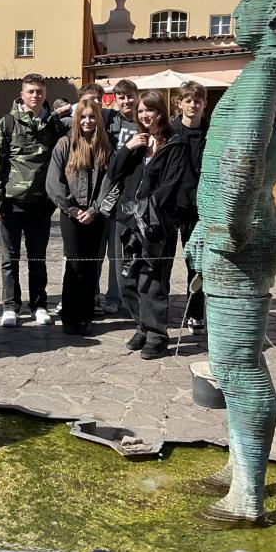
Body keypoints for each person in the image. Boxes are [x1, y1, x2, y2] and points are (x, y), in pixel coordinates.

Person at [186, 0, 276, 521]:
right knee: (238, 358)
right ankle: (240, 463)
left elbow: (242, 160)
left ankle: (248, 495)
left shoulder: (266, 71)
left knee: (238, 364)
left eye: (243, 3)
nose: (236, 15)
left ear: (271, 12)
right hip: (250, 225)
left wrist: (223, 231)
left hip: (240, 233)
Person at [107, 89, 194, 359]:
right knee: (126, 280)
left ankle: (157, 334)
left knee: (152, 280)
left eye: (150, 110)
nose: (145, 115)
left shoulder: (176, 143)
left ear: (160, 112)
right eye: (141, 111)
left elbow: (172, 184)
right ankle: (142, 326)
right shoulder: (136, 141)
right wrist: (128, 148)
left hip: (156, 223)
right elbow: (113, 173)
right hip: (126, 220)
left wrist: (145, 209)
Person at [0, 73, 66, 326]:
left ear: (45, 94)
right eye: (31, 91)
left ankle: (39, 305)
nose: (35, 95)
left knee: (37, 259)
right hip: (11, 203)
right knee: (9, 259)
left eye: (39, 91)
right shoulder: (7, 123)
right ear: (22, 94)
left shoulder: (53, 125)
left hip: (41, 204)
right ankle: (10, 306)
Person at [46, 101, 115, 335]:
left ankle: (85, 315)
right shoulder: (65, 144)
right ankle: (70, 316)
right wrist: (73, 209)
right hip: (71, 214)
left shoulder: (106, 147)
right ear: (77, 119)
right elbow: (53, 182)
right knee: (74, 263)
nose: (87, 121)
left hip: (96, 215)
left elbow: (111, 183)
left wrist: (95, 210)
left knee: (90, 265)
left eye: (92, 117)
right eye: (83, 117)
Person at [170, 81, 209, 333]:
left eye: (197, 101)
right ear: (180, 103)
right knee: (161, 263)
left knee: (196, 263)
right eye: (188, 100)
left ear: (204, 104)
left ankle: (195, 314)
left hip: (198, 209)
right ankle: (158, 312)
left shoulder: (211, 132)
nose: (193, 105)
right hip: (170, 205)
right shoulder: (171, 131)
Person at [98, 79, 138, 315]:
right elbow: (83, 108)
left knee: (117, 252)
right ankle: (92, 295)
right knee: (96, 250)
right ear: (115, 99)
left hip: (128, 194)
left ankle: (115, 296)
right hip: (104, 192)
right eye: (121, 97)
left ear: (136, 96)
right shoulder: (108, 118)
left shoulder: (141, 120)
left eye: (130, 96)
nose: (126, 101)